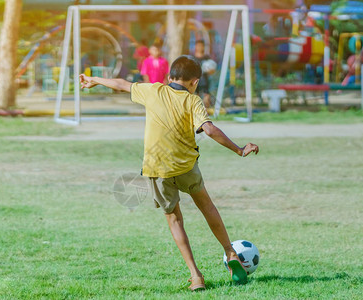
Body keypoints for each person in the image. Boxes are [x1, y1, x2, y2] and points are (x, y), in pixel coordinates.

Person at [79, 55, 259, 291]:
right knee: (207, 206)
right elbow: (210, 129)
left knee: (175, 219)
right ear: (194, 82)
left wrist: (95, 80)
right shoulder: (192, 101)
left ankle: (196, 277)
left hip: (157, 168)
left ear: (169, 77)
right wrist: (238, 149)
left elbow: (122, 84)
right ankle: (230, 252)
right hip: (186, 166)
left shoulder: (153, 91)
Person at [194, 40, 215, 108]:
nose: (199, 47)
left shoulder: (206, 58)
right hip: (196, 81)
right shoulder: (193, 58)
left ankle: (207, 114)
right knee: (197, 99)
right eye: (198, 46)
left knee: (206, 99)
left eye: (201, 46)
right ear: (196, 47)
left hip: (205, 81)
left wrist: (210, 71)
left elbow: (212, 70)